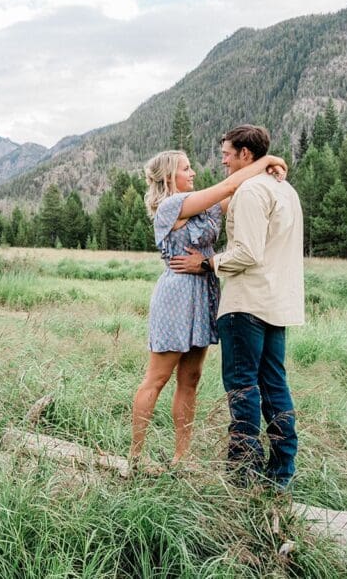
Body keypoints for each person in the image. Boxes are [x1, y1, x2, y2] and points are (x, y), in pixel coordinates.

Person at [129, 147, 287, 474]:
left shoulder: (206, 208)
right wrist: (266, 161)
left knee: (191, 379)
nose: (193, 173)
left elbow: (239, 193)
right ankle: (135, 457)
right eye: (186, 169)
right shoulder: (172, 206)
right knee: (156, 379)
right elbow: (228, 187)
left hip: (203, 293)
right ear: (169, 177)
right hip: (177, 295)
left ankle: (181, 457)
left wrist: (266, 176)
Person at [170, 125, 305, 491]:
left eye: (227, 154)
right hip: (276, 304)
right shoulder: (285, 190)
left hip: (246, 304)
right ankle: (280, 474)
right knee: (275, 385)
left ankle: (242, 474)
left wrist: (206, 263)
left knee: (242, 388)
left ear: (246, 154)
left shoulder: (251, 191)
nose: (224, 160)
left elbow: (246, 253)